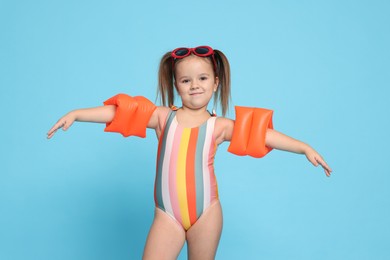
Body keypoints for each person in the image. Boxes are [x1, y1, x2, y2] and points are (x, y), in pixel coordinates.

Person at [47, 46, 332, 260]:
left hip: (206, 213)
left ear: (216, 83)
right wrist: (77, 114)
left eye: (203, 78)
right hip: (167, 215)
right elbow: (118, 113)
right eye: (186, 81)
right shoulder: (162, 118)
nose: (195, 85)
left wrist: (303, 147)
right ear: (176, 85)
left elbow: (263, 135)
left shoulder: (218, 126)